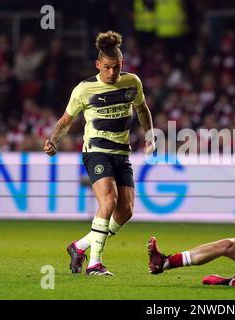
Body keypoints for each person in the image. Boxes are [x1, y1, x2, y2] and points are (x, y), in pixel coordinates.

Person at [44, 31, 155, 276]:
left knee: (126, 211)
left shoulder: (132, 82)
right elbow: (65, 121)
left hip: (121, 153)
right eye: (107, 68)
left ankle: (79, 246)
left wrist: (150, 136)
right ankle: (95, 263)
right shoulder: (84, 89)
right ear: (98, 65)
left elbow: (142, 110)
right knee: (109, 200)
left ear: (122, 64)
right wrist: (53, 141)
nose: (112, 73)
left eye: (116, 67)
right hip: (96, 151)